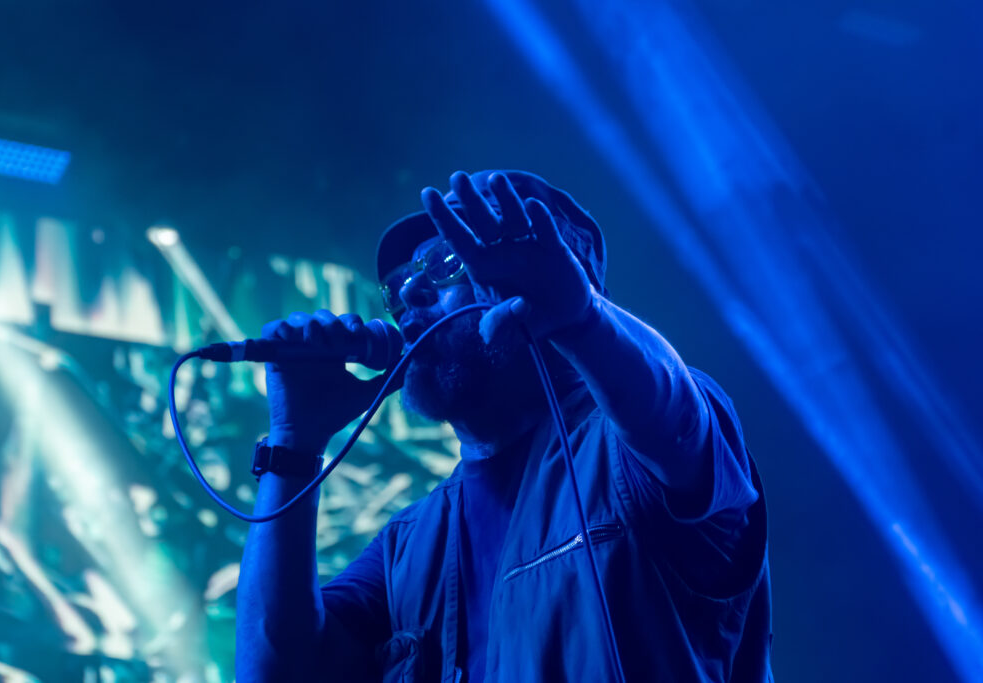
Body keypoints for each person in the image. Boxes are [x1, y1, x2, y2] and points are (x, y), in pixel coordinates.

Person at [235, 170, 773, 682]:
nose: (410, 296)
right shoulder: (409, 542)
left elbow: (673, 415)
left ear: (549, 280)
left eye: (447, 263)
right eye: (397, 287)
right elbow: (275, 672)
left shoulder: (630, 447)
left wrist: (583, 319)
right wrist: (293, 444)